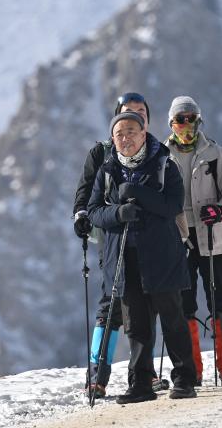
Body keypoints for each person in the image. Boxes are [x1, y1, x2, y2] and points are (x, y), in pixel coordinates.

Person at [83, 110, 197, 403]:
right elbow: (94, 211)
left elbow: (173, 205)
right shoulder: (107, 170)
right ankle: (140, 384)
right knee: (136, 324)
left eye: (131, 132)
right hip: (123, 258)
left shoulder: (164, 164)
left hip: (161, 255)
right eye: (119, 134)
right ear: (113, 139)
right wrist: (118, 213)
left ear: (144, 133)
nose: (125, 139)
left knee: (172, 318)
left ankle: (184, 379)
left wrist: (138, 194)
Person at [73, 93, 165, 397]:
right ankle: (97, 375)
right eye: (128, 111)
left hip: (148, 241)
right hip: (112, 238)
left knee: (146, 304)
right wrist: (81, 215)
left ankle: (144, 374)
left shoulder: (156, 152)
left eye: (141, 111)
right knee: (111, 303)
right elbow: (85, 192)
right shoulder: (101, 153)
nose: (136, 115)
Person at [164, 95, 222, 386]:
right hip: (178, 237)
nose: (186, 124)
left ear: (199, 120)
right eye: (180, 119)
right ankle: (191, 370)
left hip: (213, 235)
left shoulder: (216, 154)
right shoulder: (160, 156)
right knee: (183, 304)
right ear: (171, 123)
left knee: (220, 300)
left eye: (191, 118)